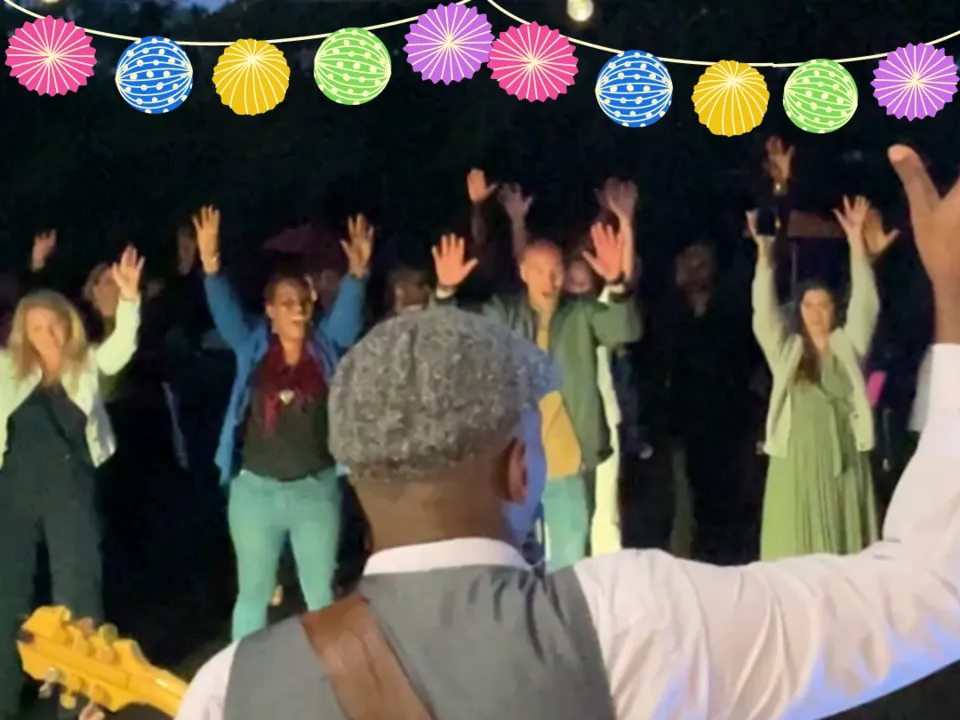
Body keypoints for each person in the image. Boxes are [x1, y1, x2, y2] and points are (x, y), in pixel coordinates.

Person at [178, 145, 960, 718]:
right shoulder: (638, 622)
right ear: (522, 468)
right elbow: (933, 592)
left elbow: (621, 322)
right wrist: (954, 294)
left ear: (352, 464)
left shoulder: (229, 690)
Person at [193, 206, 370, 641]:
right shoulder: (251, 346)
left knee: (320, 596)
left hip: (315, 491)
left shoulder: (326, 347)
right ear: (270, 310)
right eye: (287, 303)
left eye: (303, 303)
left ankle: (329, 676)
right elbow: (225, 313)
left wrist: (357, 274)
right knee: (253, 594)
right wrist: (211, 264)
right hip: (257, 493)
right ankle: (245, 675)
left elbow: (348, 316)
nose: (297, 311)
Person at [432, 222, 642, 570]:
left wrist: (618, 284)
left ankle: (561, 606)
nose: (550, 279)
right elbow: (451, 333)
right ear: (523, 273)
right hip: (515, 459)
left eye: (556, 270)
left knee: (570, 559)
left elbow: (625, 330)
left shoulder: (580, 313)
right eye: (540, 271)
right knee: (506, 556)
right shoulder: (504, 313)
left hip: (567, 457)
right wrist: (444, 292)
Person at [0, 247, 144, 720]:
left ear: (69, 325)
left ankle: (81, 704)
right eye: (37, 327)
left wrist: (129, 301)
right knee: (6, 598)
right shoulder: (7, 371)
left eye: (54, 324)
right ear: (24, 334)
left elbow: (120, 351)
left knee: (78, 598)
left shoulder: (86, 367)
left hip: (70, 490)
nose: (48, 334)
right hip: (14, 491)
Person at [749, 195, 882, 560]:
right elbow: (764, 316)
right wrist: (764, 256)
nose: (816, 313)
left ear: (834, 309)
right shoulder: (787, 351)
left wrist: (856, 243)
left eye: (824, 305)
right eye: (808, 305)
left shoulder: (847, 347)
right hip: (796, 463)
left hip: (843, 463)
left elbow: (867, 307)